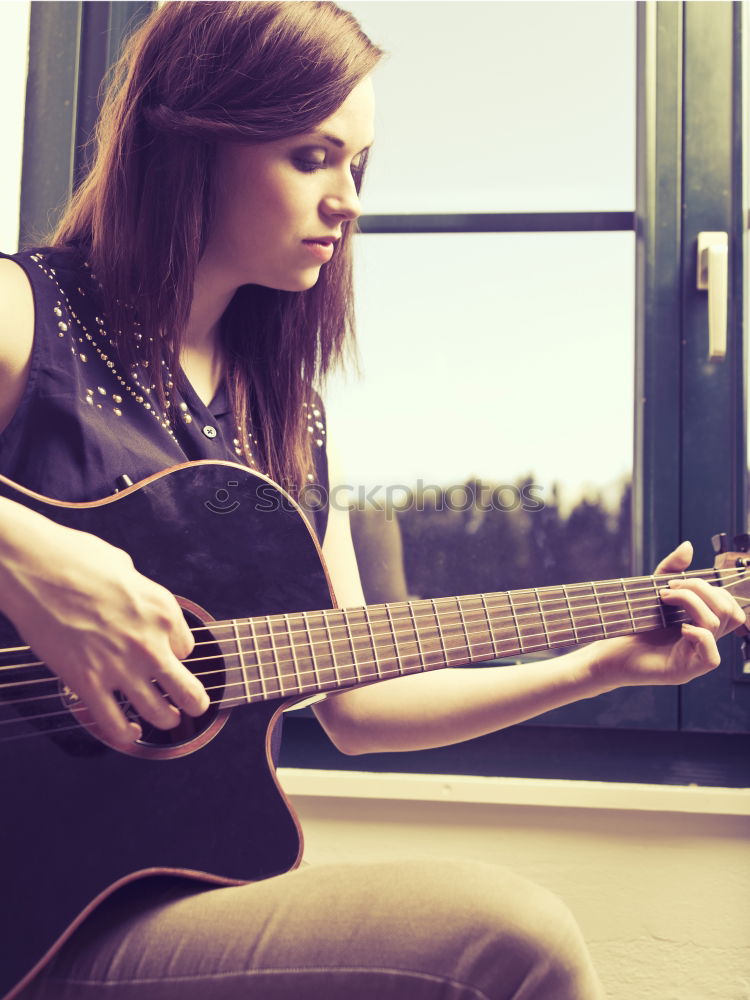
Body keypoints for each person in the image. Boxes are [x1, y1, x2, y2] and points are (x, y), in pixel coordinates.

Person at [0, 3, 743, 998]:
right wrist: (32, 561)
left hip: (128, 899)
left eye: (360, 167)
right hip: (22, 906)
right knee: (509, 935)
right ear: (194, 141)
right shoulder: (27, 315)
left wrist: (598, 665)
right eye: (313, 157)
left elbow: (359, 701)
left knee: (504, 937)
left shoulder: (288, 421)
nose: (349, 201)